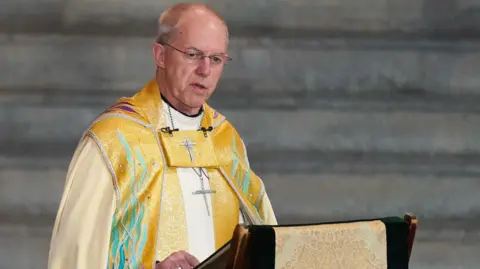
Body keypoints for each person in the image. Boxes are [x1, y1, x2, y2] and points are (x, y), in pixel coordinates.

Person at [47, 3, 277, 269]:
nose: (205, 70)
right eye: (193, 54)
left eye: (216, 59)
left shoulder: (224, 139)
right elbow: (79, 254)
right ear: (160, 55)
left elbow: (266, 241)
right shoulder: (115, 140)